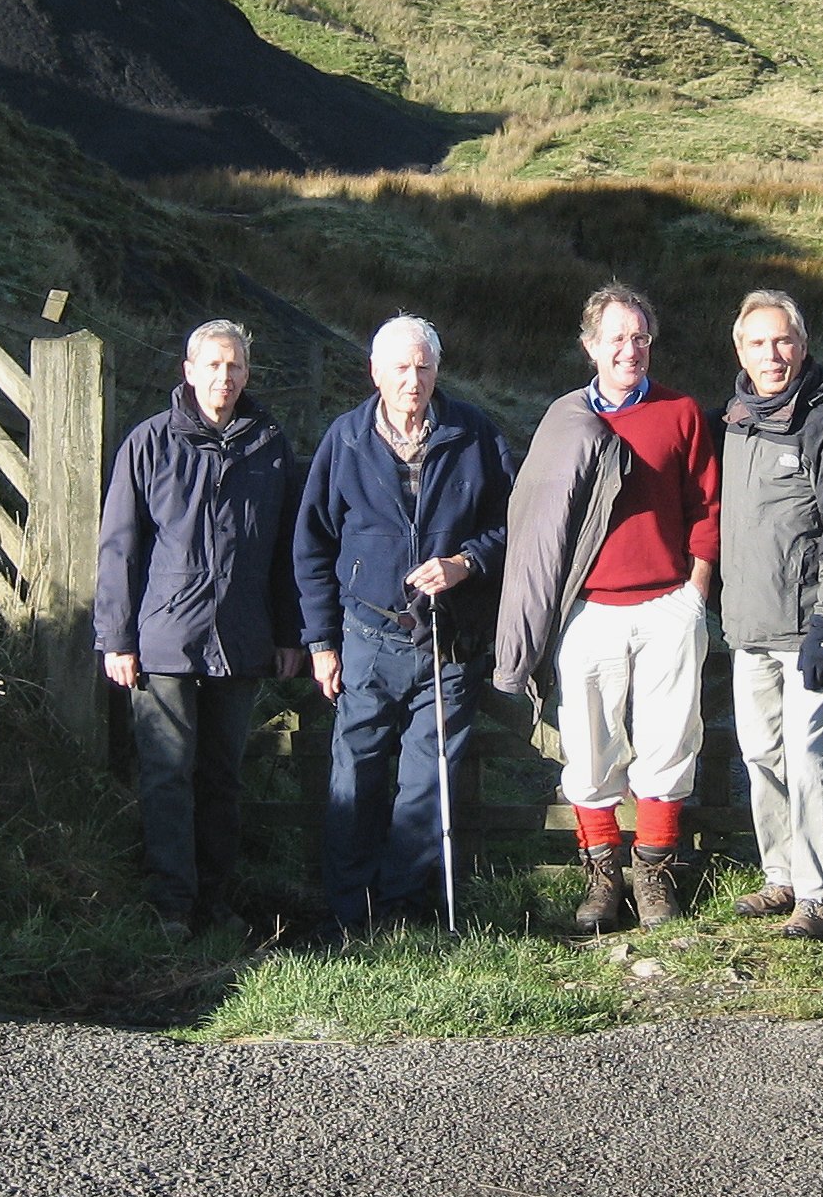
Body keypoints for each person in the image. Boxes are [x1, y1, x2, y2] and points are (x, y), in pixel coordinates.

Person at [493, 285, 721, 932]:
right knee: (588, 751)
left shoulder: (678, 412)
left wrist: (695, 592)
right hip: (590, 611)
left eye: (640, 338)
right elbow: (535, 518)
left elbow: (708, 506)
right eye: (616, 338)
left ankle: (653, 877)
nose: (630, 350)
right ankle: (602, 880)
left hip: (667, 605)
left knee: (669, 742)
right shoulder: (564, 420)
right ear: (590, 345)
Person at [294, 315, 515, 935]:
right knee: (356, 773)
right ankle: (350, 912)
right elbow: (311, 545)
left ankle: (402, 909)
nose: (412, 379)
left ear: (437, 370)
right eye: (399, 367)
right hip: (367, 637)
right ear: (375, 373)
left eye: (422, 366)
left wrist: (467, 563)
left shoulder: (475, 435)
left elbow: (512, 525)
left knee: (427, 781)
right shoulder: (346, 440)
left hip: (448, 640)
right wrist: (320, 641)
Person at [95, 320, 302, 940]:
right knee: (166, 771)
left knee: (223, 776)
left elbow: (287, 551)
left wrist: (290, 633)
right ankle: (170, 906)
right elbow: (120, 547)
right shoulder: (150, 443)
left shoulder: (269, 446)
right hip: (163, 641)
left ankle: (215, 902)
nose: (225, 377)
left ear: (248, 373)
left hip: (242, 640)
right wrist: (117, 638)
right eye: (213, 365)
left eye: (235, 366)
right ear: (188, 370)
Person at [719, 290, 823, 941]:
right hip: (746, 625)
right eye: (758, 343)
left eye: (783, 341)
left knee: (808, 758)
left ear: (802, 346)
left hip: (806, 625)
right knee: (759, 755)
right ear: (740, 352)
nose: (772, 354)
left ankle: (819, 893)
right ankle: (780, 874)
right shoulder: (732, 420)